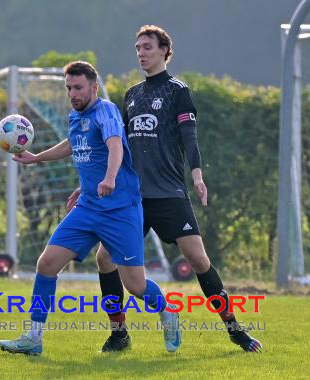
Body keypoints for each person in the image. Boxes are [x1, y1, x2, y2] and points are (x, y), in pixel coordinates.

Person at [67, 26, 263, 353]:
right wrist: (86, 183)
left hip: (169, 193)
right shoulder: (131, 95)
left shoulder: (177, 91)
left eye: (147, 47)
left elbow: (189, 138)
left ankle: (235, 329)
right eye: (138, 47)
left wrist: (197, 175)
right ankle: (119, 334)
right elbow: (116, 146)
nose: (141, 52)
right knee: (105, 259)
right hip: (132, 198)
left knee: (198, 259)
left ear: (164, 51)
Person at [0, 61, 181, 356]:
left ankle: (168, 311)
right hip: (88, 208)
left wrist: (109, 178)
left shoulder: (105, 111)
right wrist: (36, 158)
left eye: (78, 87)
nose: (72, 93)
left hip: (121, 210)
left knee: (135, 285)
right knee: (47, 264)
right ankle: (33, 338)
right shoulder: (75, 115)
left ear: (94, 87)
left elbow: (115, 145)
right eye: (68, 88)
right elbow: (73, 144)